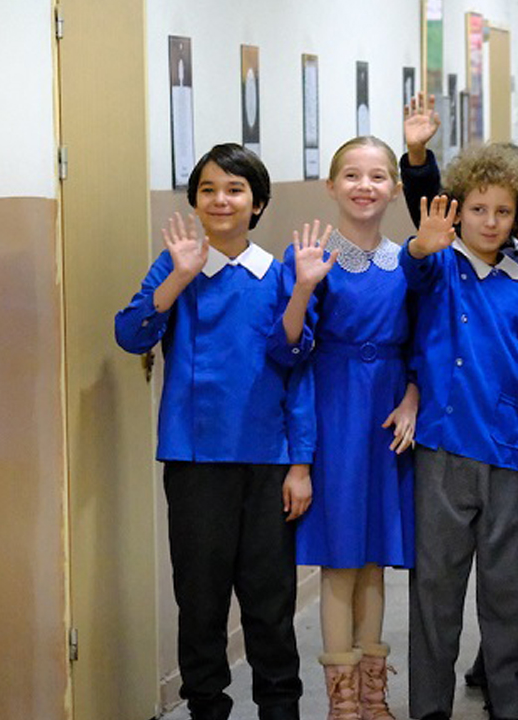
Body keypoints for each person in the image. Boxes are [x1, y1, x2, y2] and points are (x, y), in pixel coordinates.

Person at [114, 143, 311, 720]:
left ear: (257, 204)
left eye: (234, 190)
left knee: (270, 603)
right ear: (195, 202)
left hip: (268, 461)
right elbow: (131, 335)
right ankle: (206, 707)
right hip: (195, 461)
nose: (220, 200)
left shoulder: (280, 275)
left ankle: (281, 707)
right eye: (207, 190)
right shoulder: (176, 263)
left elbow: (299, 373)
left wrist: (300, 464)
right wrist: (177, 278)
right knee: (199, 603)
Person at [401, 144, 518, 720]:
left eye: (503, 212)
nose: (490, 222)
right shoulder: (439, 263)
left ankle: (510, 704)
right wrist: (422, 244)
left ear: (517, 219)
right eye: (479, 210)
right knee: (435, 594)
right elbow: (412, 268)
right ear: (458, 211)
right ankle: (429, 709)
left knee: (508, 595)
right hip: (442, 450)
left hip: (510, 456)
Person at [275, 136, 417, 720]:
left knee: (375, 557)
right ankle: (342, 701)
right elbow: (286, 349)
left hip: (387, 416)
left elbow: (420, 344)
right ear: (331, 186)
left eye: (378, 176)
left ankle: (374, 692)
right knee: (338, 557)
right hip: (333, 411)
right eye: (352, 176)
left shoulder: (406, 260)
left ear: (395, 188)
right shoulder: (309, 255)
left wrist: (412, 395)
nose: (365, 186)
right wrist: (305, 285)